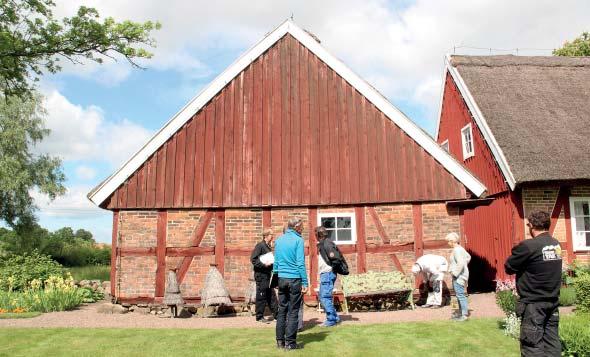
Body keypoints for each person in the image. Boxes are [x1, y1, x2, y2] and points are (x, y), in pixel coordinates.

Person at [505, 211, 562, 356]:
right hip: (552, 301)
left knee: (532, 345)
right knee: (551, 342)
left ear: (531, 226)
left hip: (534, 304)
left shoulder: (529, 246)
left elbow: (509, 267)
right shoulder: (555, 244)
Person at [273, 217, 308, 350]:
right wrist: (305, 282)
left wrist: (275, 279)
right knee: (293, 311)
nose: (303, 229)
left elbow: (276, 263)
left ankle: (280, 342)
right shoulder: (298, 240)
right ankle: (291, 343)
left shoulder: (279, 240)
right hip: (294, 279)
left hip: (281, 278)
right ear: (297, 227)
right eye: (302, 226)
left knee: (282, 310)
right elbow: (300, 263)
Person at [316, 226, 346, 327]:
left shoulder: (327, 243)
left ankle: (331, 320)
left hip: (327, 273)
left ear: (318, 234)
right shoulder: (324, 243)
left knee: (325, 297)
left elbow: (336, 258)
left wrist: (331, 269)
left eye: (315, 234)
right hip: (326, 273)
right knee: (323, 296)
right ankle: (335, 317)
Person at [250, 228, 277, 324]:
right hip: (261, 275)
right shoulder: (260, 246)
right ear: (266, 236)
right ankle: (259, 316)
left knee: (271, 295)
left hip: (268, 275)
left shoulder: (268, 246)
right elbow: (253, 259)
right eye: (271, 235)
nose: (272, 236)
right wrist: (263, 265)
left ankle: (276, 315)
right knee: (261, 296)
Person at [445, 232, 471, 321]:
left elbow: (460, 262)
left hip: (459, 276)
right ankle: (460, 313)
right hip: (461, 275)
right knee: (459, 295)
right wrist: (464, 266)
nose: (448, 243)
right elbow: (468, 257)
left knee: (460, 295)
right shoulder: (460, 249)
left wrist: (455, 273)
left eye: (448, 241)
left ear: (452, 241)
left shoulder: (457, 250)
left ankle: (464, 315)